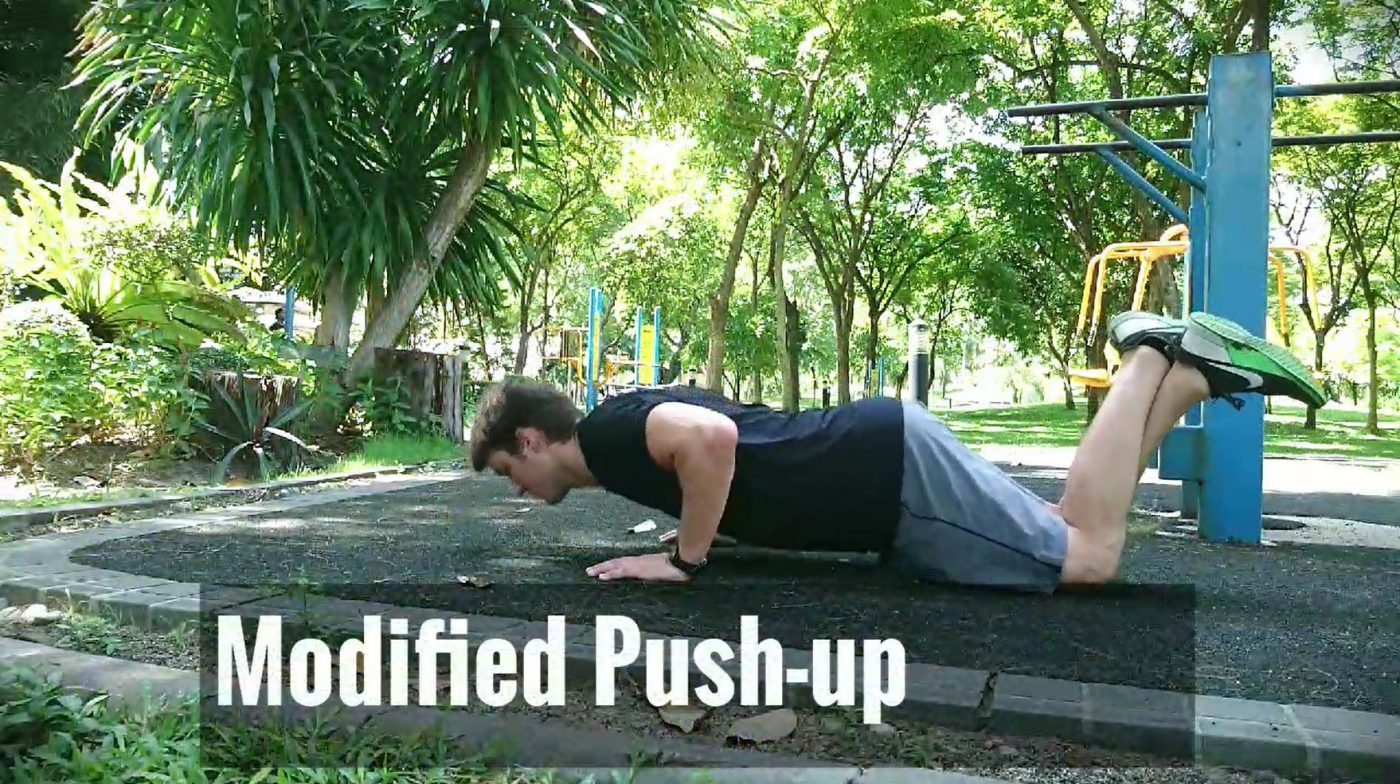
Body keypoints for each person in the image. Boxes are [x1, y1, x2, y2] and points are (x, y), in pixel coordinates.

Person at [468, 311, 1326, 593]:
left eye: (511, 471)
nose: (519, 489)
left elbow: (714, 439)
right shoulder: (621, 429)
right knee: (1074, 529)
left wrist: (686, 562)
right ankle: (1182, 380)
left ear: (532, 440)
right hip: (882, 453)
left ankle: (1145, 358)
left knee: (1088, 555)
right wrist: (706, 524)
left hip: (888, 478)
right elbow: (729, 443)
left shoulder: (609, 434)